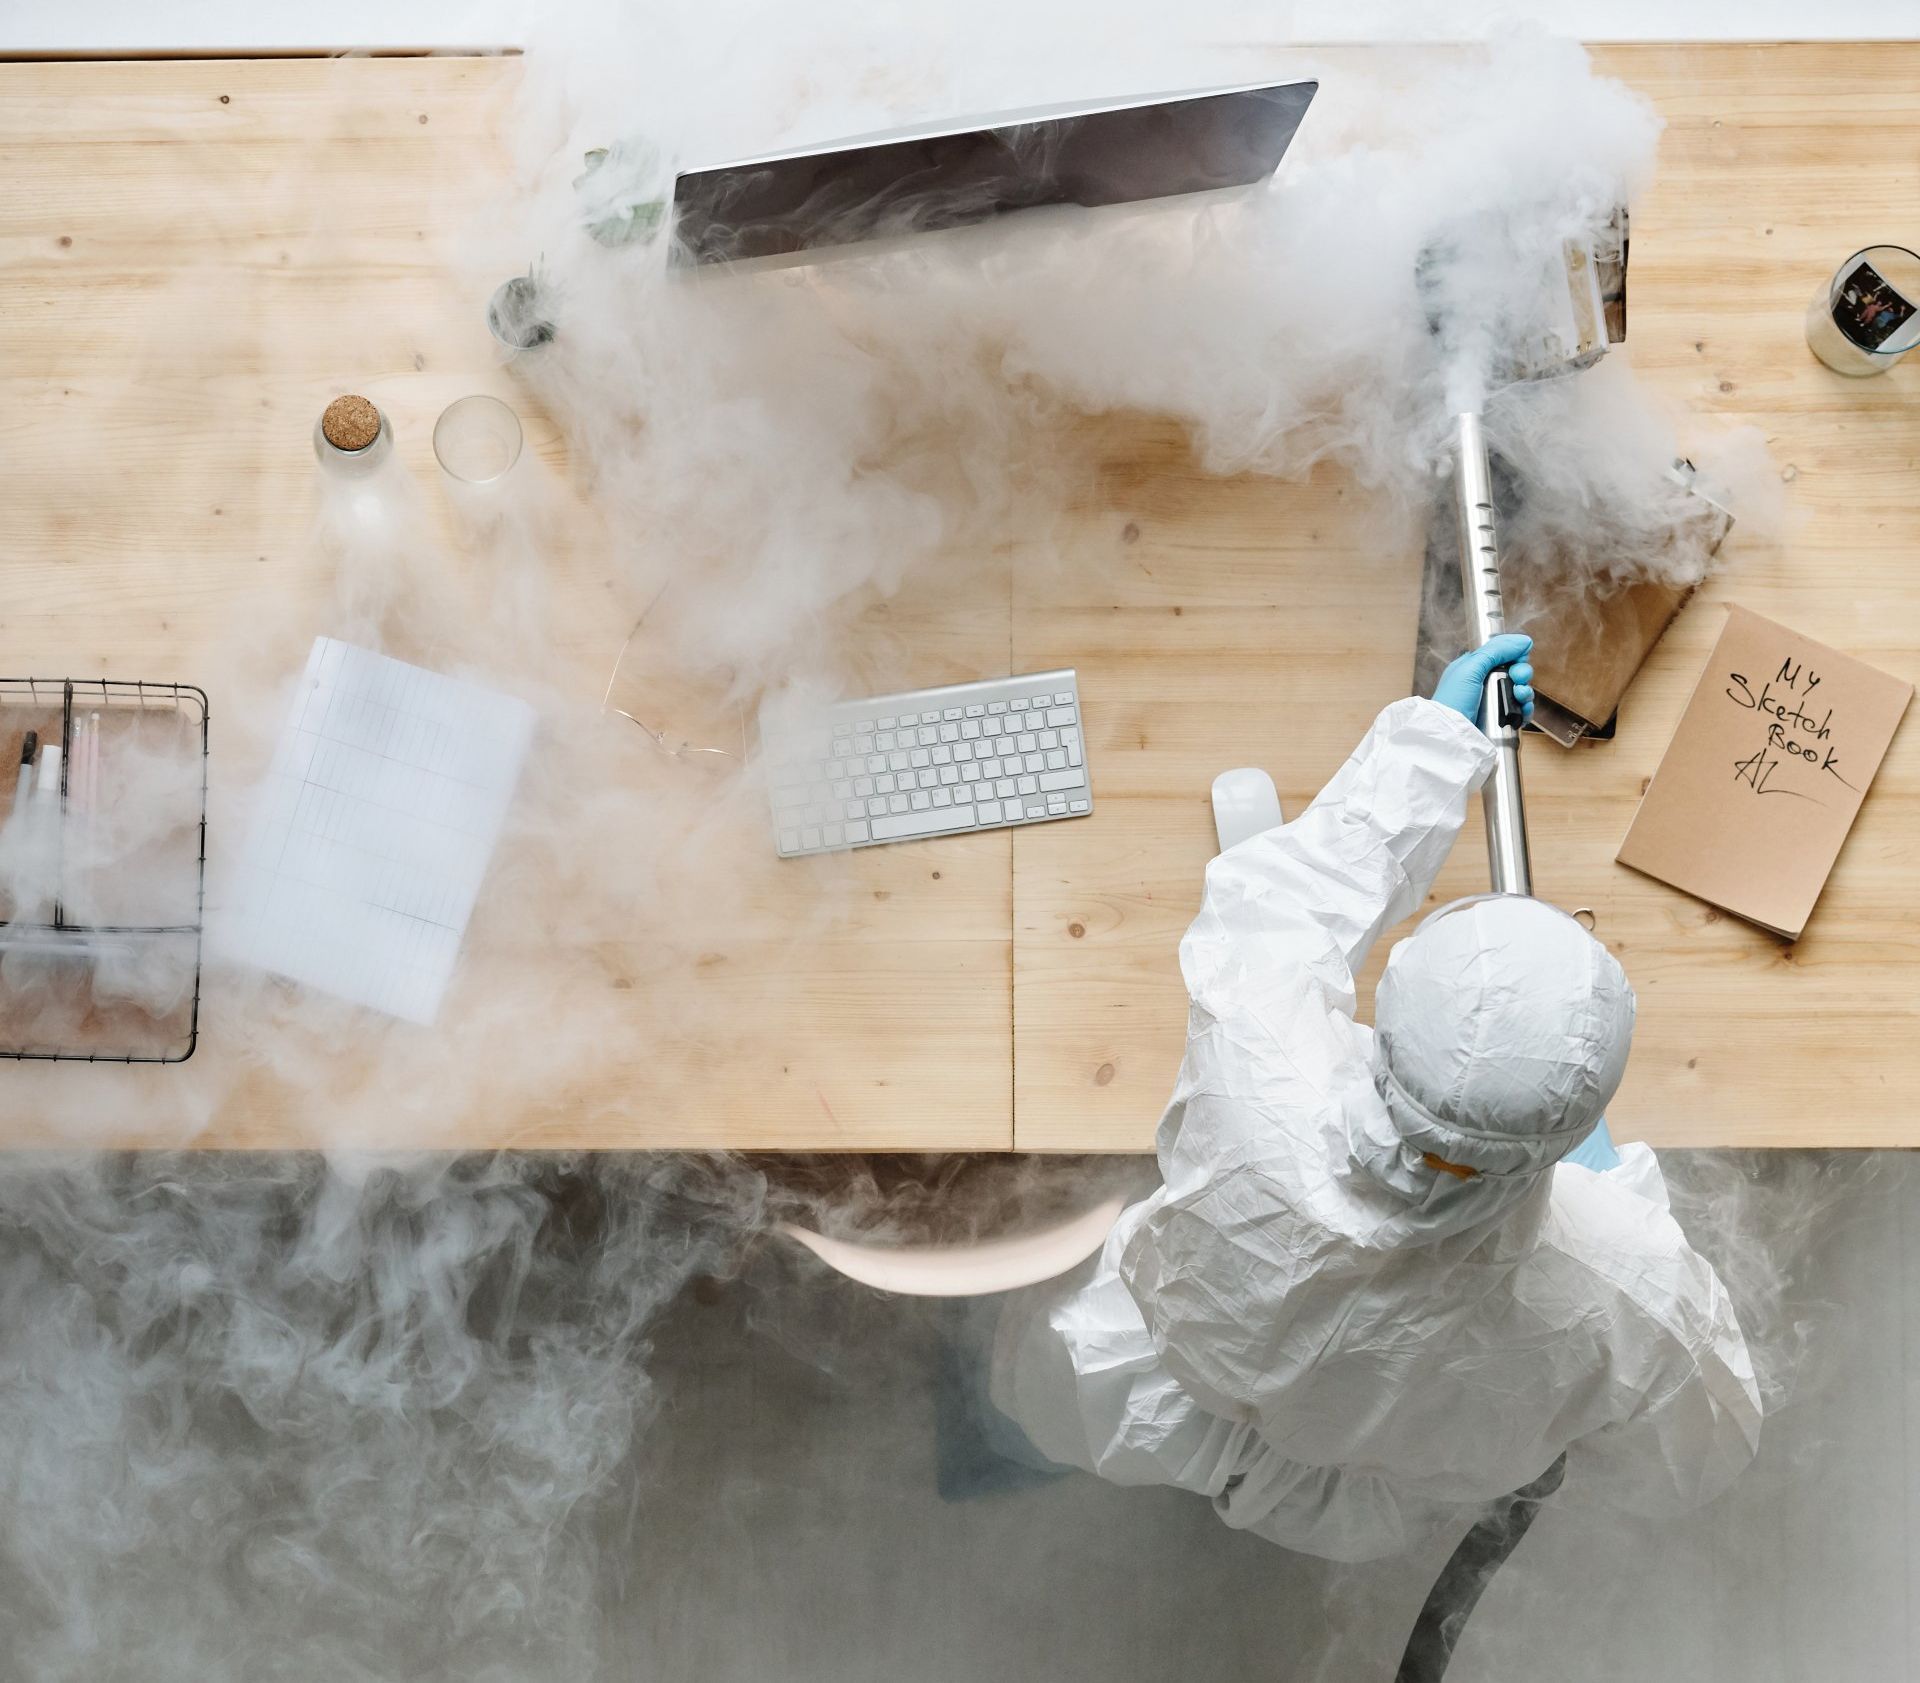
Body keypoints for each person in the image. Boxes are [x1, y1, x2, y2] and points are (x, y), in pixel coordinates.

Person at [989, 635, 1761, 1562]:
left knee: (1026, 1401)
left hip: (1154, 1389)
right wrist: (1626, 1211)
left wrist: (1435, 735)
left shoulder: (1258, 1068)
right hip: (1356, 1491)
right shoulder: (1627, 1283)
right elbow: (1696, 1458)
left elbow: (1284, 901)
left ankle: (998, 1446)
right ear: (1579, 1125)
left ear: (1384, 1017)